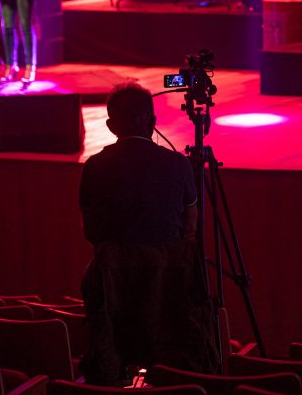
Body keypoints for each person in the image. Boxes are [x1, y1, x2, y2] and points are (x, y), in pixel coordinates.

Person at [78, 83, 215, 385]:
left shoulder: (94, 167)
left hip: (114, 292)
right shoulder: (179, 165)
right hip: (169, 293)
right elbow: (189, 229)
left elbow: (92, 233)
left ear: (111, 126)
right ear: (153, 123)